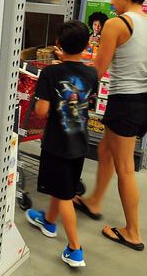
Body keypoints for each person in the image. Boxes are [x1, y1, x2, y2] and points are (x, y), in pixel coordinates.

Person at [72, 0, 147, 252]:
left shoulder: (116, 24)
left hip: (125, 102)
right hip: (146, 102)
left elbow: (98, 69)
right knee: (105, 153)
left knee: (125, 168)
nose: (112, 2)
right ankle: (95, 200)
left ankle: (132, 232)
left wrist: (69, 74)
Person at [25, 20, 97, 268]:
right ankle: (47, 221)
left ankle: (75, 249)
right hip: (80, 143)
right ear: (87, 45)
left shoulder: (50, 73)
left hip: (57, 143)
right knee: (63, 186)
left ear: (57, 44)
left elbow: (42, 111)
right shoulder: (91, 73)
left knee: (66, 194)